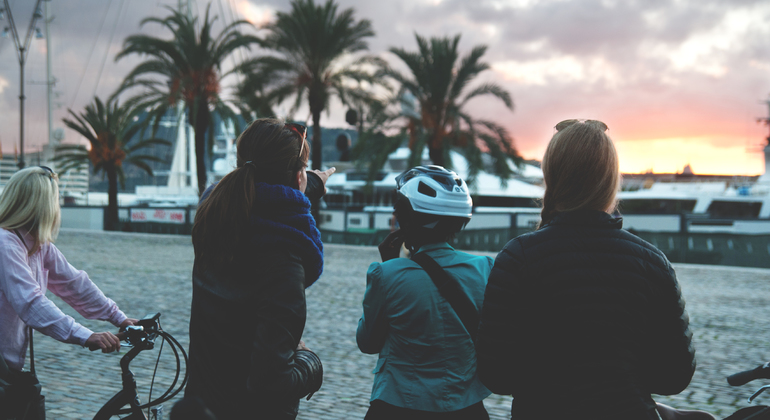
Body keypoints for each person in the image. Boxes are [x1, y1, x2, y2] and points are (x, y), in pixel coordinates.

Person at [475, 119, 706, 420]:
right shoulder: (652, 262)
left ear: (552, 177)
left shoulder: (518, 258)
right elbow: (674, 376)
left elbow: (497, 375)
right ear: (611, 179)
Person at [185, 119, 334, 420]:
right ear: (297, 177)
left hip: (202, 404)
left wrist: (308, 183)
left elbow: (261, 198)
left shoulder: (214, 226)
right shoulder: (285, 262)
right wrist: (310, 364)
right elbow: (271, 384)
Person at [357, 165, 493, 420]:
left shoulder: (385, 274)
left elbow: (368, 342)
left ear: (407, 220)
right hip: (466, 406)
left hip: (398, 404)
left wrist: (388, 265)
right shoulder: (484, 269)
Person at [0, 167, 136, 370]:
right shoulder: (6, 244)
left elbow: (74, 284)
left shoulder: (38, 245)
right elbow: (30, 302)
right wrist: (86, 336)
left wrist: (119, 318)